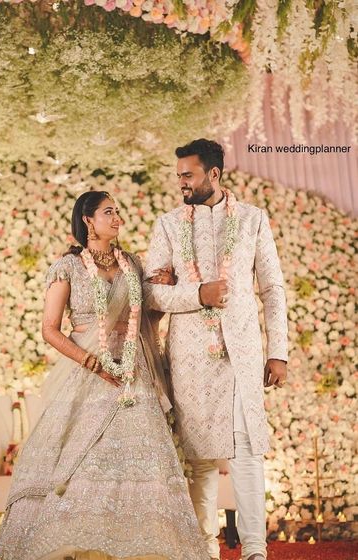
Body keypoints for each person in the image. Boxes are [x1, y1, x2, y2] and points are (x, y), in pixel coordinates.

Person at [0, 191, 209, 560]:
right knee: (86, 457)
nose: (117, 218)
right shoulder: (68, 267)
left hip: (133, 373)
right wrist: (92, 362)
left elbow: (145, 321)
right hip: (88, 373)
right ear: (88, 220)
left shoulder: (132, 265)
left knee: (143, 458)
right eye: (109, 212)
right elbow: (50, 329)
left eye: (118, 212)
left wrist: (167, 289)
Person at [144, 139, 288, 560]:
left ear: (214, 174)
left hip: (241, 353)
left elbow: (273, 288)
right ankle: (202, 550)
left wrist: (277, 351)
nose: (181, 183)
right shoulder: (167, 225)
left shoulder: (252, 220)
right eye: (178, 176)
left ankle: (255, 551)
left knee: (247, 451)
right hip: (189, 356)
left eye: (187, 175)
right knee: (199, 457)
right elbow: (152, 294)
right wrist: (198, 294)